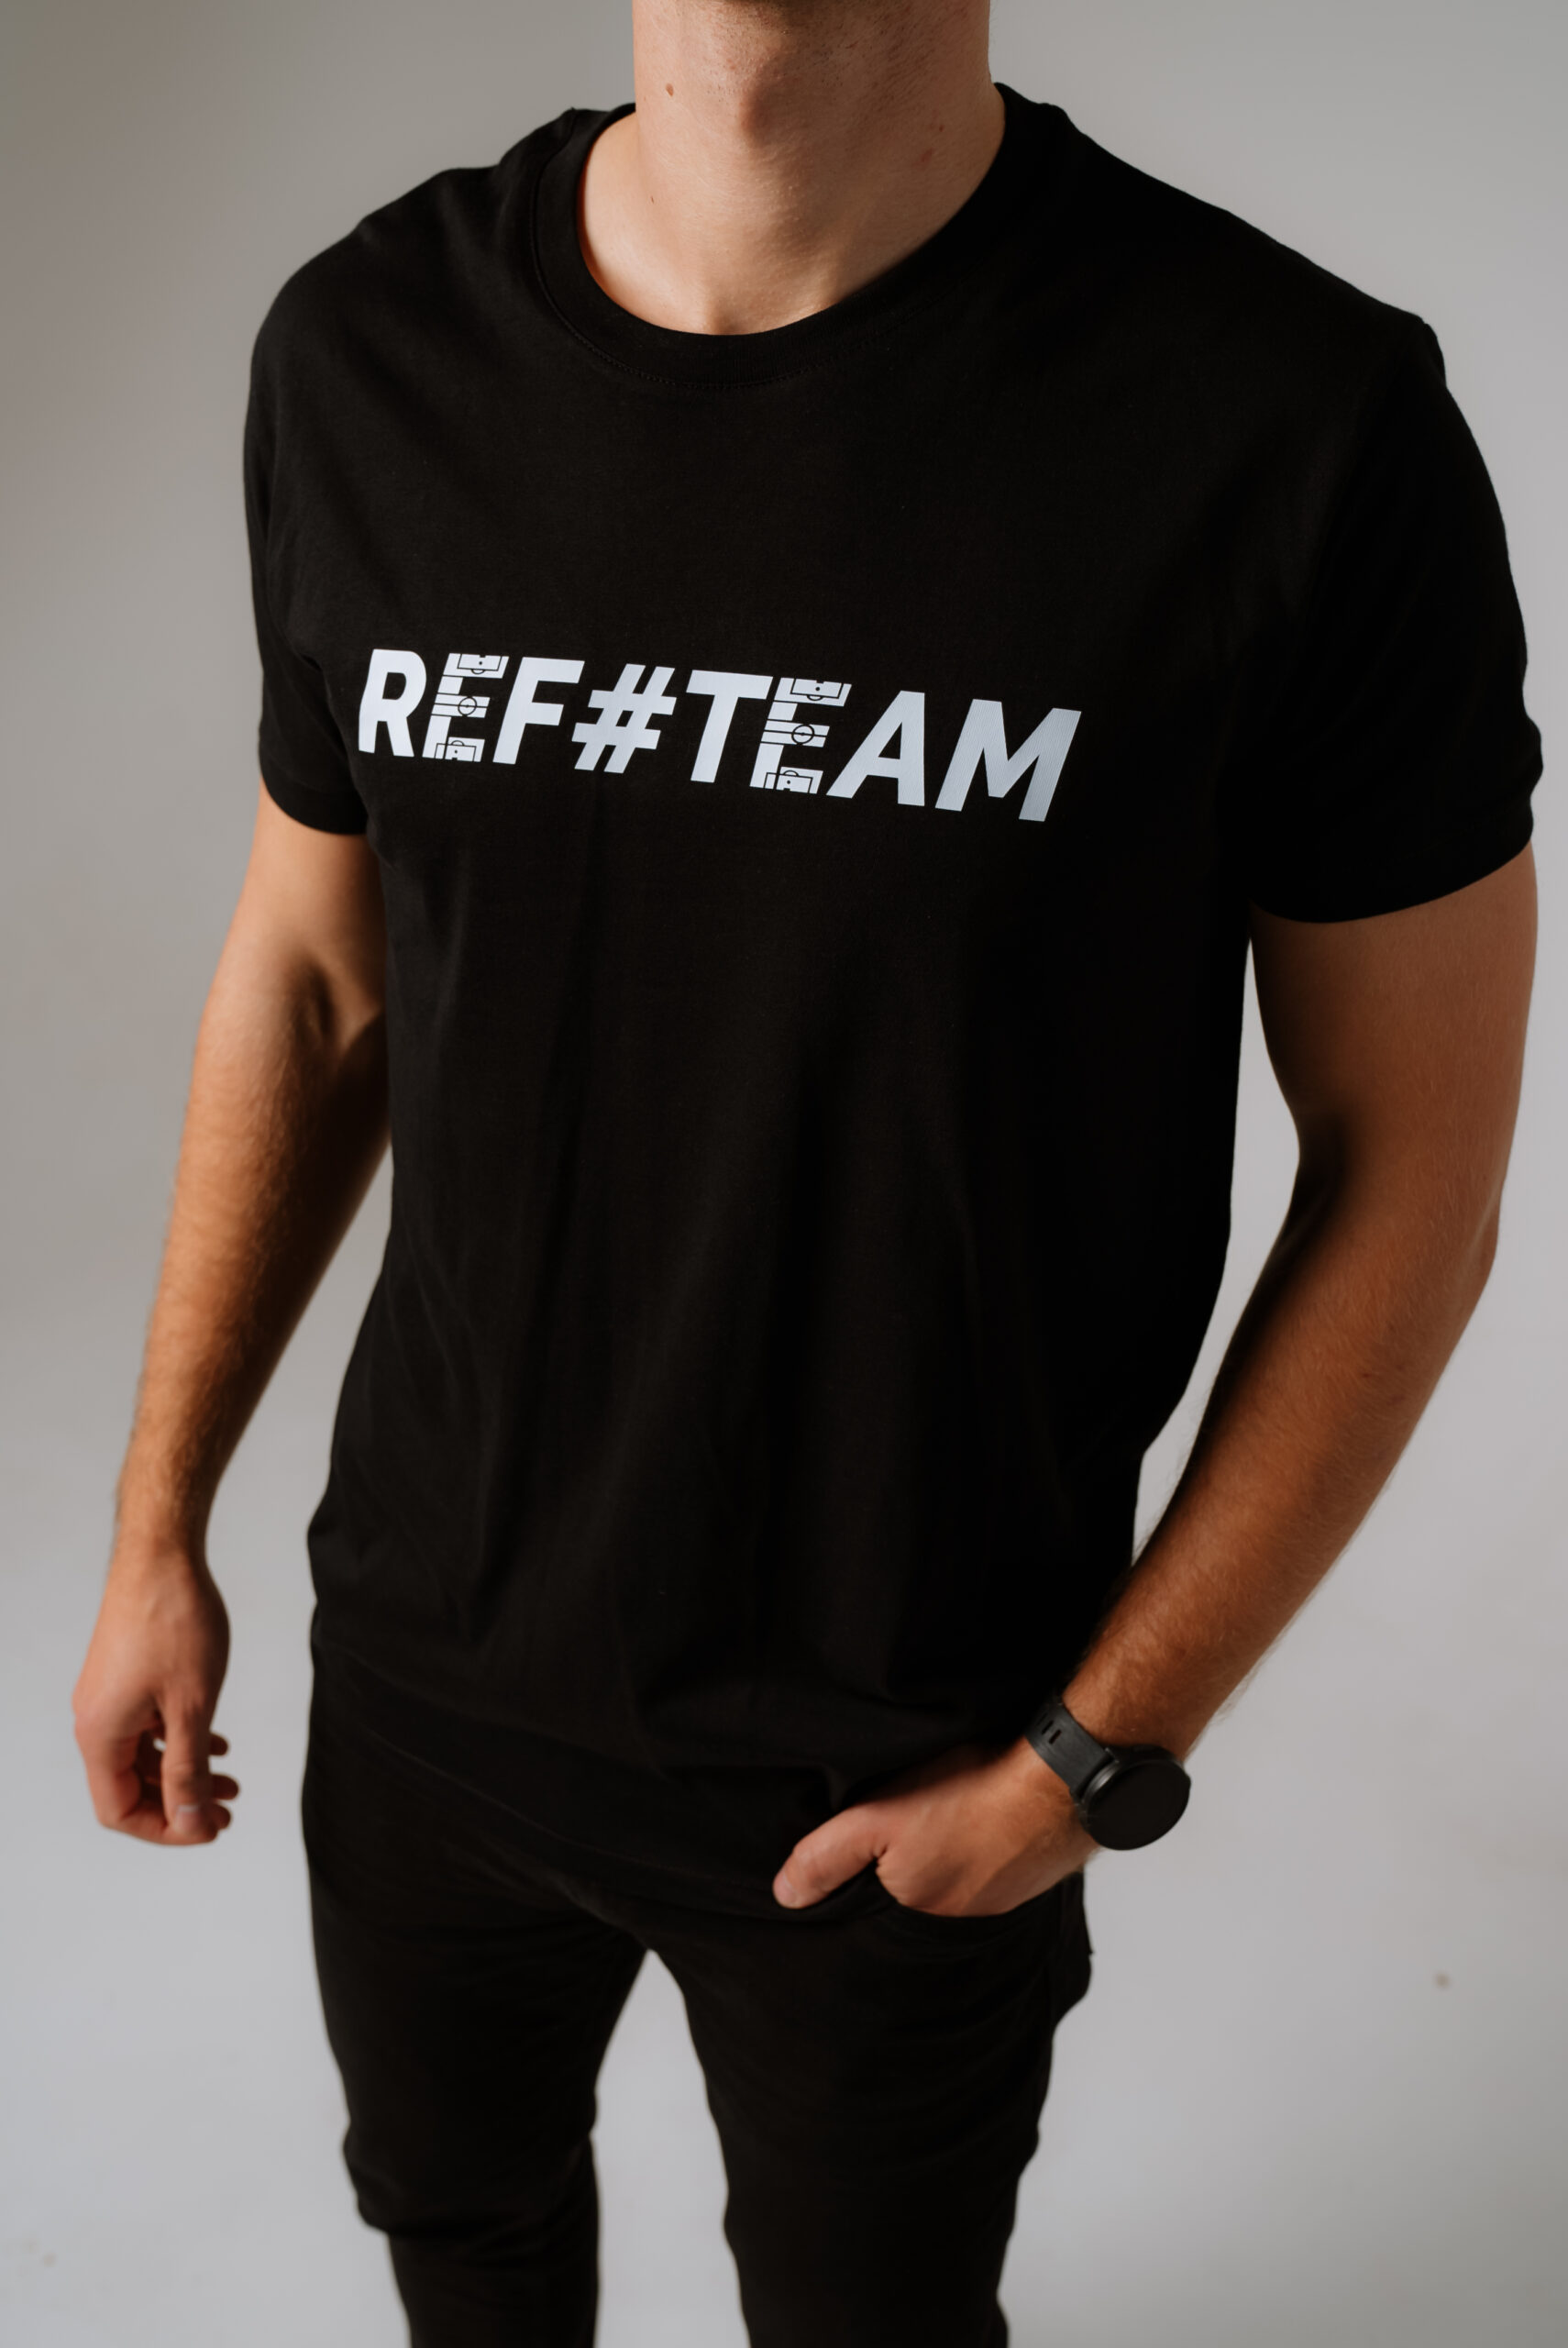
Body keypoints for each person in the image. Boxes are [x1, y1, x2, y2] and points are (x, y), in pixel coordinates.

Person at [72, 1, 1541, 2341]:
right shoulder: (368, 347)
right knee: (459, 2241)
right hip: (423, 1683)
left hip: (907, 1753)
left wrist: (1089, 1754)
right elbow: (318, 973)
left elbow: (1415, 1174)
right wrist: (160, 1519)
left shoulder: (1295, 422)